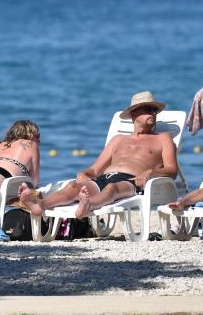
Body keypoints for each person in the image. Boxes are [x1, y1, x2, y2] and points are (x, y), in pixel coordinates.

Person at [19, 91, 178, 219]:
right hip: (104, 177)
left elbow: (172, 170)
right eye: (147, 109)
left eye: (155, 110)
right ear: (134, 114)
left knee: (111, 188)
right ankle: (40, 204)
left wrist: (151, 172)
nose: (153, 113)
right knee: (74, 186)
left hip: (132, 181)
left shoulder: (163, 138)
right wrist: (84, 173)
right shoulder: (118, 139)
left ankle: (88, 205)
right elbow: (95, 170)